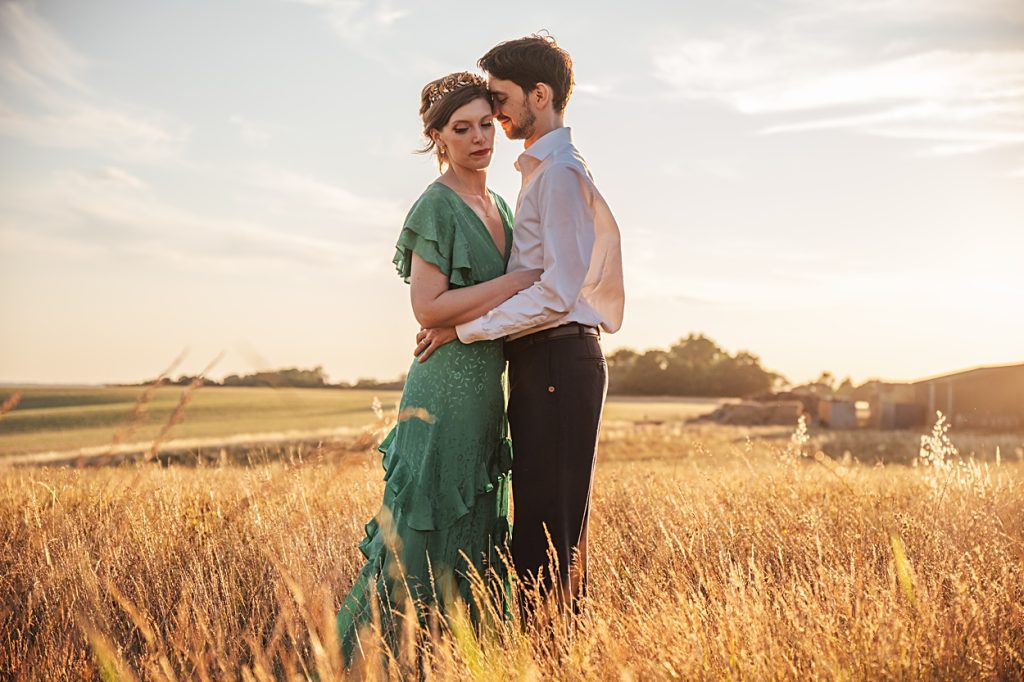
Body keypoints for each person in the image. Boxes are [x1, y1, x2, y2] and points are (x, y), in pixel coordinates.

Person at [335, 71, 541, 664]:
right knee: (423, 523)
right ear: (437, 138)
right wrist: (516, 280)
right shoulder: (438, 204)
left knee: (474, 520)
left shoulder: (498, 202)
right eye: (462, 129)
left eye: (485, 124)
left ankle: (450, 659)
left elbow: (464, 308)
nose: (480, 138)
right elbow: (426, 305)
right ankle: (372, 661)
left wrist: (468, 315)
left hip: (484, 386)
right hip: (444, 384)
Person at [416, 36, 625, 613]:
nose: (497, 115)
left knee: (549, 522)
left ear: (541, 94)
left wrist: (464, 330)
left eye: (502, 101)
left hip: (559, 353)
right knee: (542, 513)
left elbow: (556, 293)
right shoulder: (540, 171)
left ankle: (553, 650)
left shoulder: (556, 173)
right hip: (546, 359)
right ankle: (546, 644)